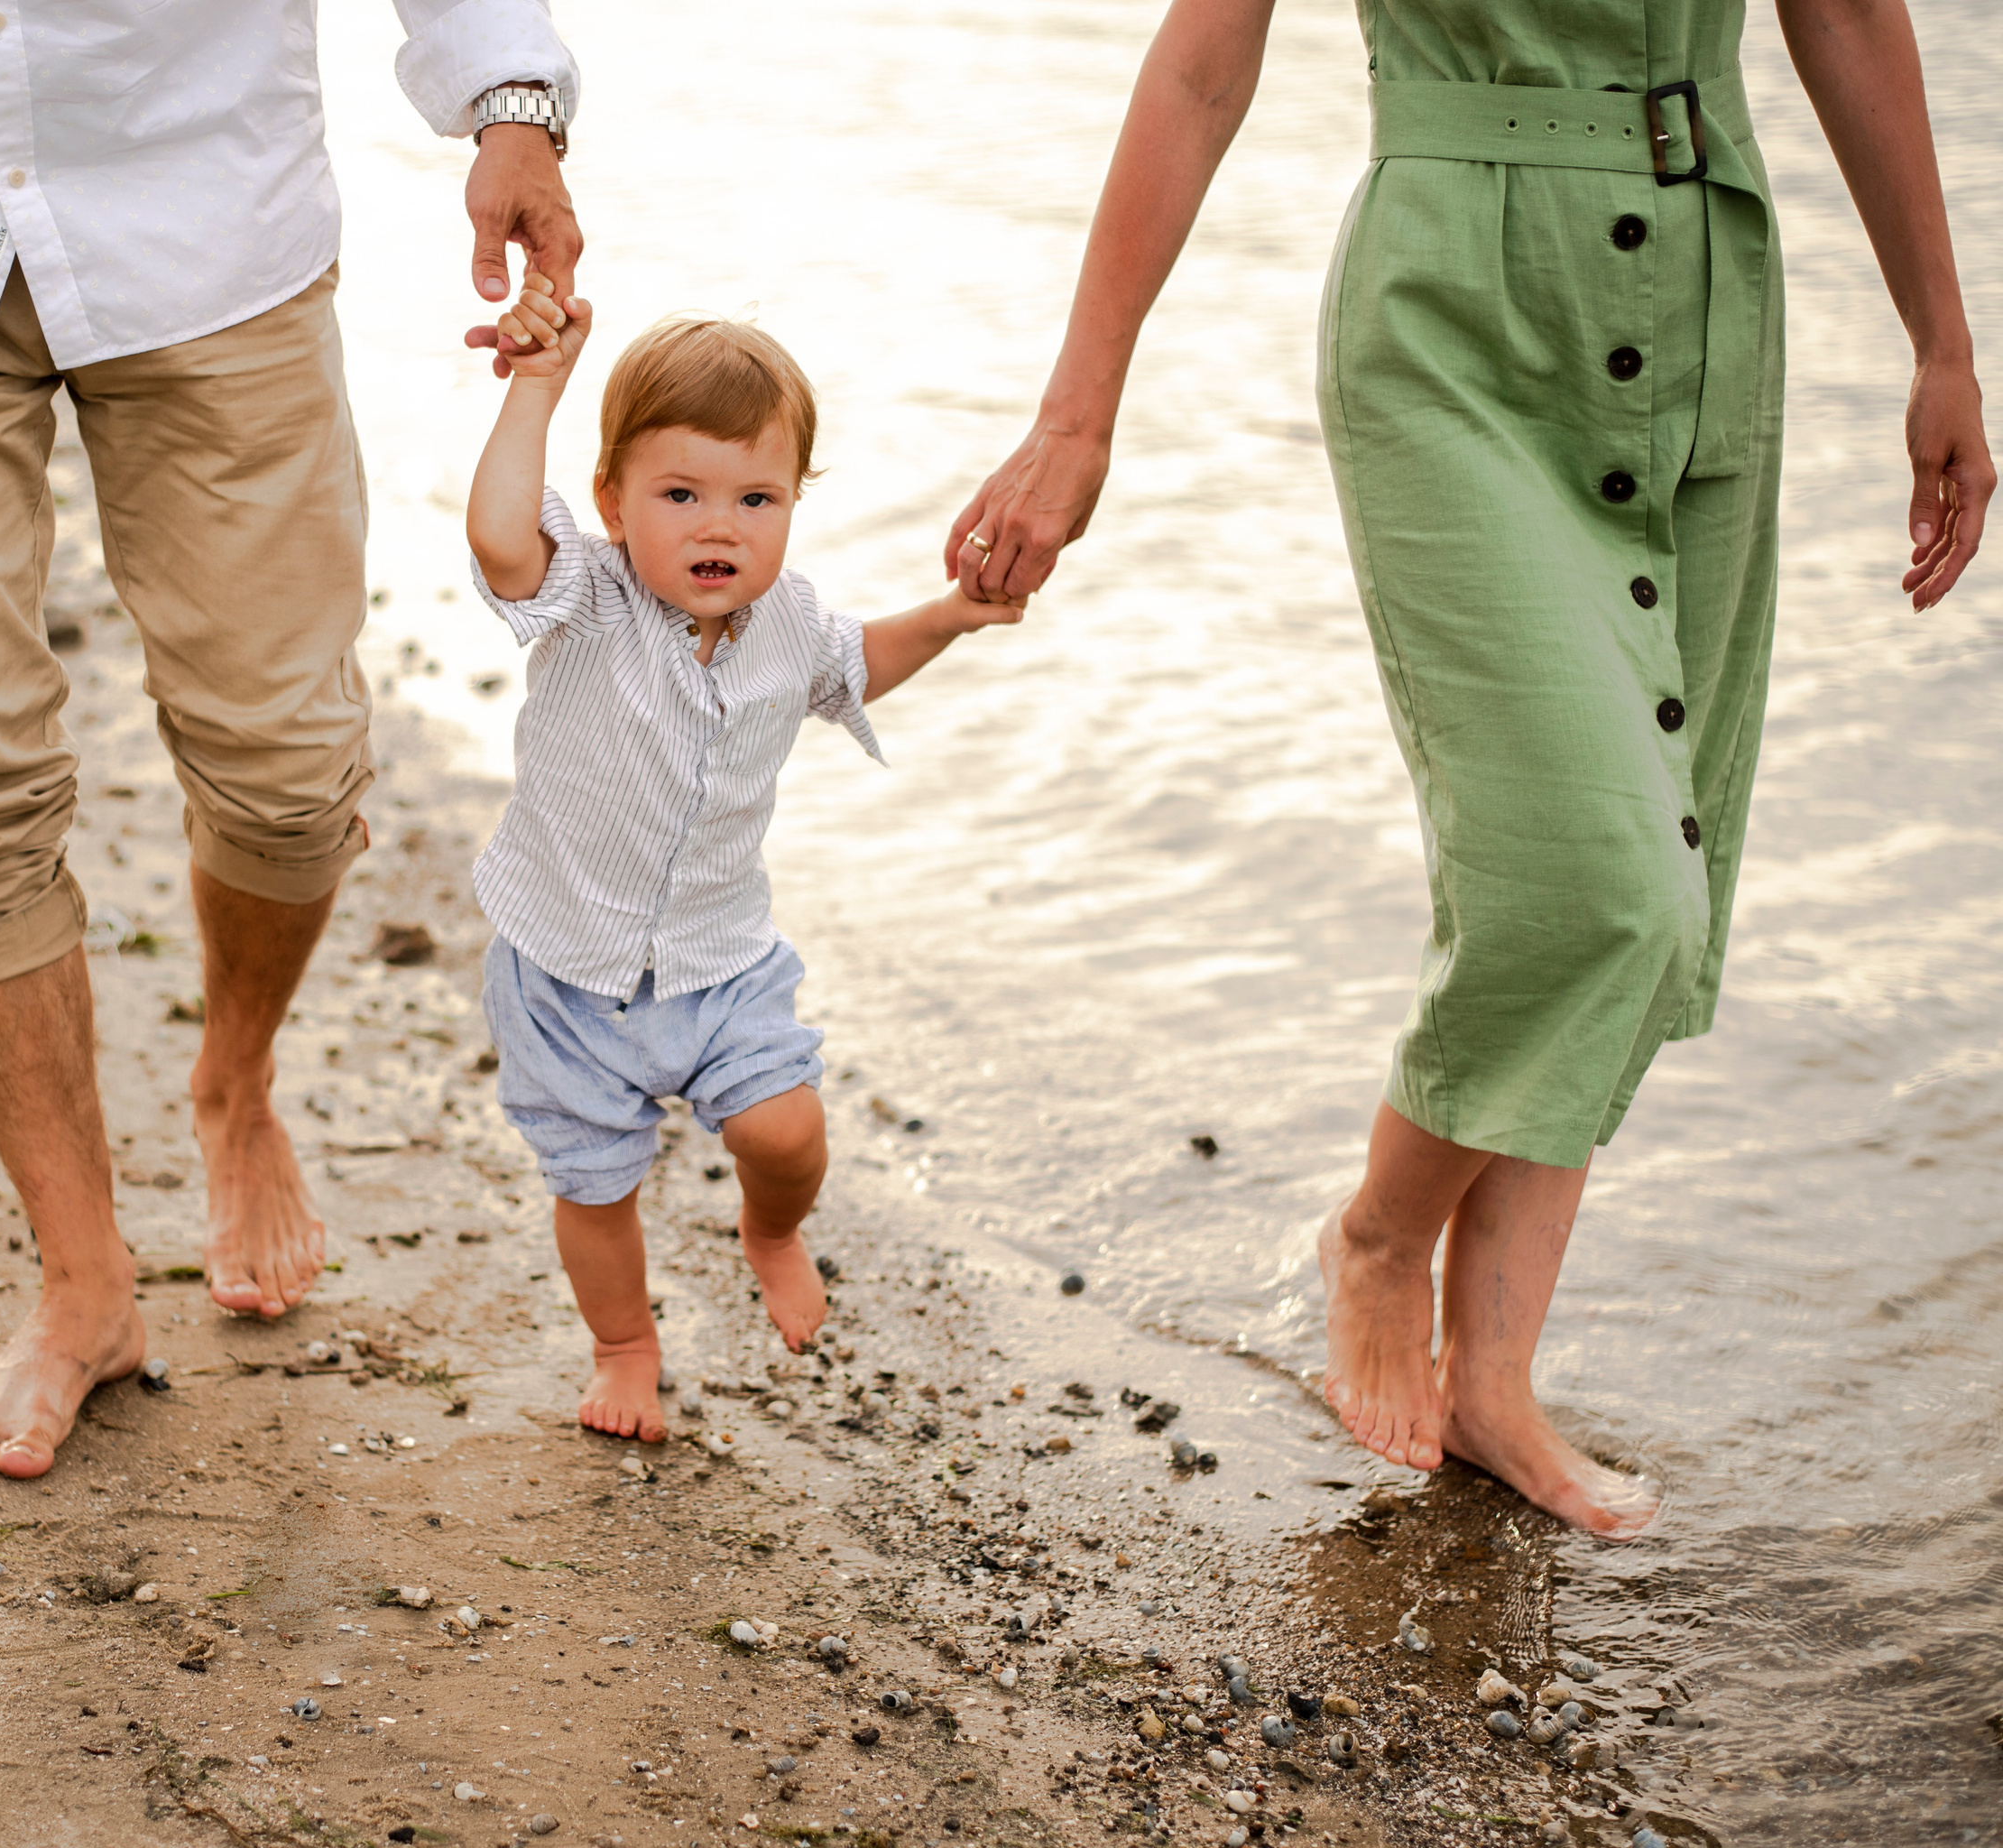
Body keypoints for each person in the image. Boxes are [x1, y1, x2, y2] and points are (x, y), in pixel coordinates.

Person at [947, 0, 1991, 1534]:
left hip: (1706, 307)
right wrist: (1076, 411)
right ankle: (1381, 1234)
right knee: (1599, 883)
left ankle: (1494, 1375)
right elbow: (1200, 58)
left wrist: (1943, 343)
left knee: (1659, 866)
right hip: (1453, 331)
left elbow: (1843, 11)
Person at [0, 0, 585, 1479]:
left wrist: (509, 100)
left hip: (207, 220)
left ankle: (232, 1081)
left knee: (292, 774)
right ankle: (83, 1282)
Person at [464, 282, 1026, 1440]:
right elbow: (498, 537)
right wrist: (537, 387)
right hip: (567, 967)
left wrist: (956, 615)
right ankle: (625, 1346)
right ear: (614, 502)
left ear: (793, 506)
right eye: (681, 495)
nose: (720, 526)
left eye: (755, 498)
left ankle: (768, 1228)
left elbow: (856, 665)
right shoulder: (589, 597)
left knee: (786, 1131)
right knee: (596, 1183)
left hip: (720, 961)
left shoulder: (788, 624)